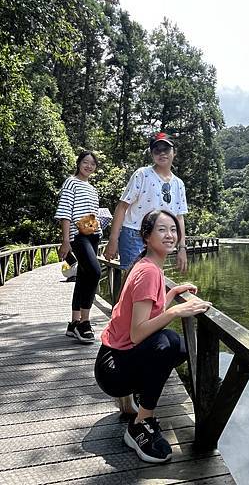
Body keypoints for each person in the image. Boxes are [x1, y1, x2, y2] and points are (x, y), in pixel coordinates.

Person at [94, 209, 211, 463]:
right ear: (146, 236)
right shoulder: (148, 272)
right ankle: (140, 424)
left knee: (176, 346)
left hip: (114, 358)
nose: (170, 235)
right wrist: (177, 310)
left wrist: (172, 294)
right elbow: (137, 333)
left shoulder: (148, 266)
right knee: (166, 343)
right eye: (161, 230)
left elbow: (147, 311)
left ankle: (139, 397)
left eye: (173, 230)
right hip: (112, 368)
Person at [103, 132, 188, 271]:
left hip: (160, 238)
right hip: (134, 235)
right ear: (152, 153)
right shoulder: (142, 174)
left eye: (166, 149)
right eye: (157, 150)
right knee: (134, 281)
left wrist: (182, 247)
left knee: (153, 279)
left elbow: (179, 217)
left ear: (174, 152)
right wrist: (113, 239)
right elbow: (122, 206)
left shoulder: (179, 184)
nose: (162, 153)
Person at [55, 151, 102, 343]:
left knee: (83, 276)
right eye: (85, 162)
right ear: (78, 163)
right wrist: (66, 240)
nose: (89, 166)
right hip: (78, 236)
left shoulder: (92, 189)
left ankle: (74, 323)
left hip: (93, 235)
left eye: (92, 164)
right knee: (95, 271)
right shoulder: (71, 182)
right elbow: (65, 212)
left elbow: (93, 214)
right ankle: (85, 322)